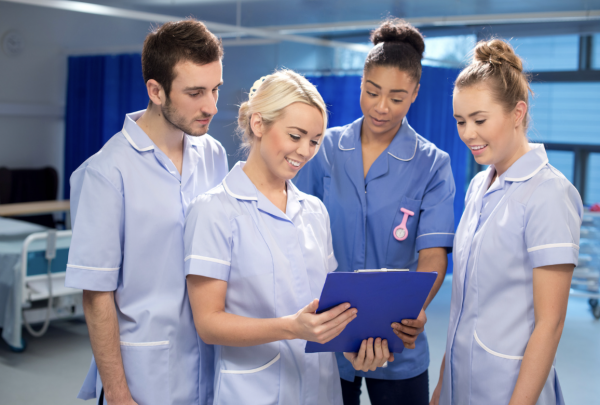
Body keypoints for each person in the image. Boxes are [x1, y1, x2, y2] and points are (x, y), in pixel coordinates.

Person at [184, 70, 392, 405]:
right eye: (295, 135)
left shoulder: (314, 211)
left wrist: (355, 347)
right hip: (253, 392)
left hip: (321, 389)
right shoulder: (214, 211)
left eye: (314, 140)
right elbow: (208, 323)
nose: (304, 151)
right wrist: (291, 328)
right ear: (258, 125)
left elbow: (326, 309)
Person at [65, 20, 228, 405]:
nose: (212, 106)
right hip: (145, 378)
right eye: (195, 92)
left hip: (212, 366)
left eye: (215, 88)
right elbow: (97, 296)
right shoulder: (107, 172)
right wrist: (120, 395)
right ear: (156, 91)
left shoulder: (214, 154)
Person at [294, 19, 456, 405]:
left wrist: (407, 315)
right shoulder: (325, 150)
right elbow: (296, 236)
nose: (382, 107)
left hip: (399, 335)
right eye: (372, 92)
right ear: (362, 83)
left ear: (415, 93)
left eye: (397, 97)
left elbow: (432, 256)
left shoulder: (432, 164)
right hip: (328, 332)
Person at [430, 39, 582, 405]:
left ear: (517, 113)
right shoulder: (478, 186)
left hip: (511, 391)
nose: (468, 133)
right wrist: (440, 391)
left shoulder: (548, 193)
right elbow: (463, 309)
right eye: (460, 121)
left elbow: (551, 324)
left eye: (480, 120)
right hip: (459, 386)